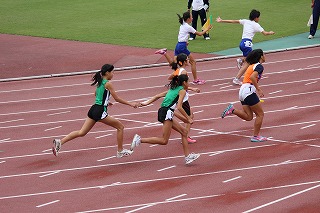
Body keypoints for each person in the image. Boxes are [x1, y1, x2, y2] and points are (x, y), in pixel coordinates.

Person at [52, 64, 139, 158]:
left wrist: (106, 101)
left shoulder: (100, 82)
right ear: (107, 73)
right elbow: (117, 99)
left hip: (93, 109)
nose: (113, 74)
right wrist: (131, 104)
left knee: (82, 132)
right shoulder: (108, 83)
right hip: (100, 111)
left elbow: (96, 94)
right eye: (112, 72)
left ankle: (60, 142)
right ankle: (120, 151)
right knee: (120, 127)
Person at [131, 74, 200, 165]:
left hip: (165, 112)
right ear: (184, 82)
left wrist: (144, 103)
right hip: (167, 112)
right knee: (164, 140)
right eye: (188, 81)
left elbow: (157, 96)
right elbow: (179, 107)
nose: (189, 83)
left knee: (184, 132)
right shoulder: (182, 91)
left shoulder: (172, 89)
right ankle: (139, 140)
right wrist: (188, 118)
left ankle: (187, 157)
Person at [216, 9, 275, 85]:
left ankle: (241, 61)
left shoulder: (245, 21)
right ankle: (237, 78)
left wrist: (222, 20)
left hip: (242, 43)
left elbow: (233, 21)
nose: (259, 19)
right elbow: (265, 33)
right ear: (255, 18)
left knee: (249, 60)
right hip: (247, 44)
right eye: (258, 17)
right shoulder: (256, 25)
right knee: (248, 63)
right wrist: (270, 32)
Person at [221, 49, 267, 142]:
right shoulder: (259, 66)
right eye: (264, 54)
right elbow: (252, 77)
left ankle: (232, 110)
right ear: (261, 56)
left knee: (249, 117)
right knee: (260, 114)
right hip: (249, 90)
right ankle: (255, 136)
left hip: (242, 90)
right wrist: (258, 89)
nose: (265, 56)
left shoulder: (251, 66)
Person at [155, 11, 212, 85]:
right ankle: (195, 80)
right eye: (191, 17)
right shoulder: (188, 27)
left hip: (178, 45)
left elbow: (182, 35)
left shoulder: (182, 25)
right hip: (182, 47)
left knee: (174, 64)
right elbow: (200, 34)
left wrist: (185, 42)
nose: (192, 18)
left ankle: (164, 53)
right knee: (193, 62)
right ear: (188, 19)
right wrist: (207, 28)